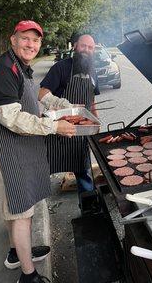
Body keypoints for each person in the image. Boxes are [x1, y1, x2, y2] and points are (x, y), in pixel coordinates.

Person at [0, 20, 76, 283]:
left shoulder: (21, 67)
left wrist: (63, 107)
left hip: (16, 149)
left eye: (36, 40)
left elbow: (33, 98)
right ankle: (28, 275)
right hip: (3, 151)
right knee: (21, 213)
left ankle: (18, 252)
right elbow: (12, 118)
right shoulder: (3, 70)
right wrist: (53, 126)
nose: (31, 44)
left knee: (16, 207)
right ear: (13, 39)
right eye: (25, 39)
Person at [38, 34, 100, 202]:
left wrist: (97, 122)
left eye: (90, 47)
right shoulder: (61, 67)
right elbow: (42, 94)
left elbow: (92, 101)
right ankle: (37, 200)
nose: (86, 50)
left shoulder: (93, 71)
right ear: (75, 46)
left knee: (83, 171)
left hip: (80, 133)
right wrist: (64, 104)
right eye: (83, 46)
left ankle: (88, 207)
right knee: (45, 168)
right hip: (58, 131)